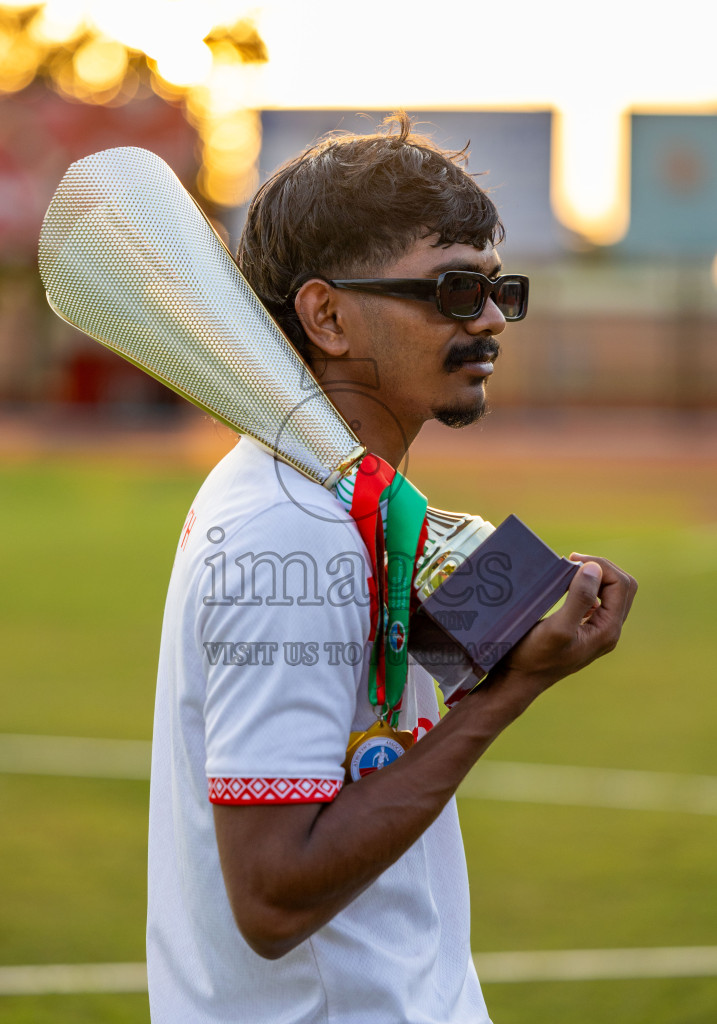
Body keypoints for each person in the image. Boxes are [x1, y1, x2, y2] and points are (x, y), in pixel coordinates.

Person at [146, 113, 637, 1023]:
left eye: (497, 289)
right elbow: (272, 894)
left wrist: (502, 621)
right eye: (452, 289)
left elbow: (369, 707)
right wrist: (508, 693)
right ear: (326, 315)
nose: (490, 319)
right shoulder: (286, 530)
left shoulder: (338, 501)